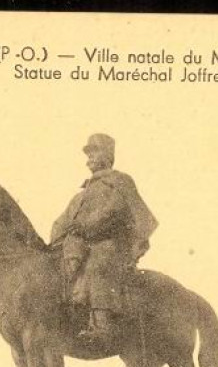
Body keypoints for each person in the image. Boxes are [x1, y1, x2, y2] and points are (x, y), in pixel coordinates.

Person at [51, 134, 158, 347]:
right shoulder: (83, 193)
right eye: (88, 154)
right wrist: (53, 238)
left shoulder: (120, 182)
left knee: (97, 265)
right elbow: (63, 220)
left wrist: (88, 226)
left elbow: (115, 211)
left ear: (107, 156)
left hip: (109, 244)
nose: (89, 159)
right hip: (79, 244)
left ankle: (102, 325)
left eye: (94, 153)